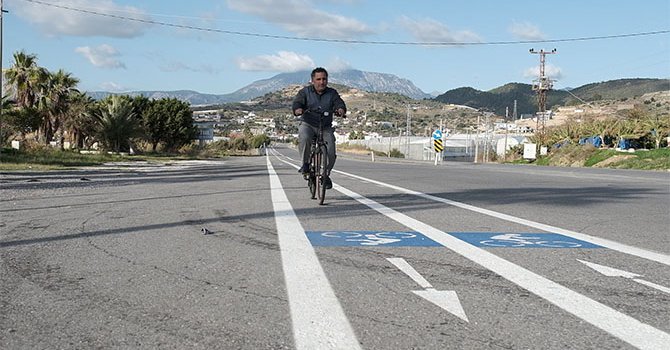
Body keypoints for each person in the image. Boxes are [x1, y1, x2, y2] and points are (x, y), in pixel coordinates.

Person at [292, 67, 346, 189]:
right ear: (312, 80)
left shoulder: (332, 93)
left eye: (324, 79)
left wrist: (340, 109)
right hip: (308, 124)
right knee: (304, 137)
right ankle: (305, 164)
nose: (322, 82)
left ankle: (326, 175)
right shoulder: (305, 92)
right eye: (318, 79)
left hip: (325, 126)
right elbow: (297, 103)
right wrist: (298, 109)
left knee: (331, 150)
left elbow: (339, 102)